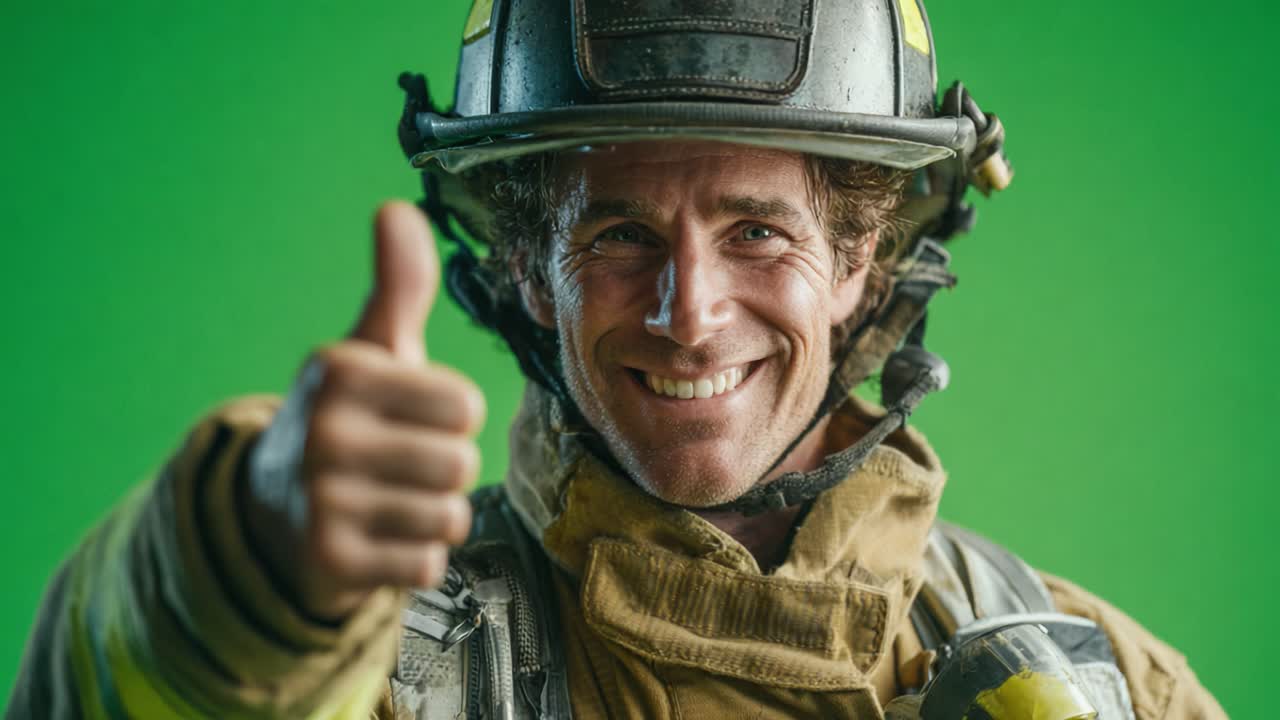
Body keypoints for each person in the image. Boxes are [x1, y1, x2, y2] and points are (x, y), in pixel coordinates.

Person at [8, 1, 1226, 718]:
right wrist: (239, 574)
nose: (687, 313)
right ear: (529, 267)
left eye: (757, 230)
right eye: (618, 234)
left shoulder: (1103, 683)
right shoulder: (358, 664)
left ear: (859, 256)